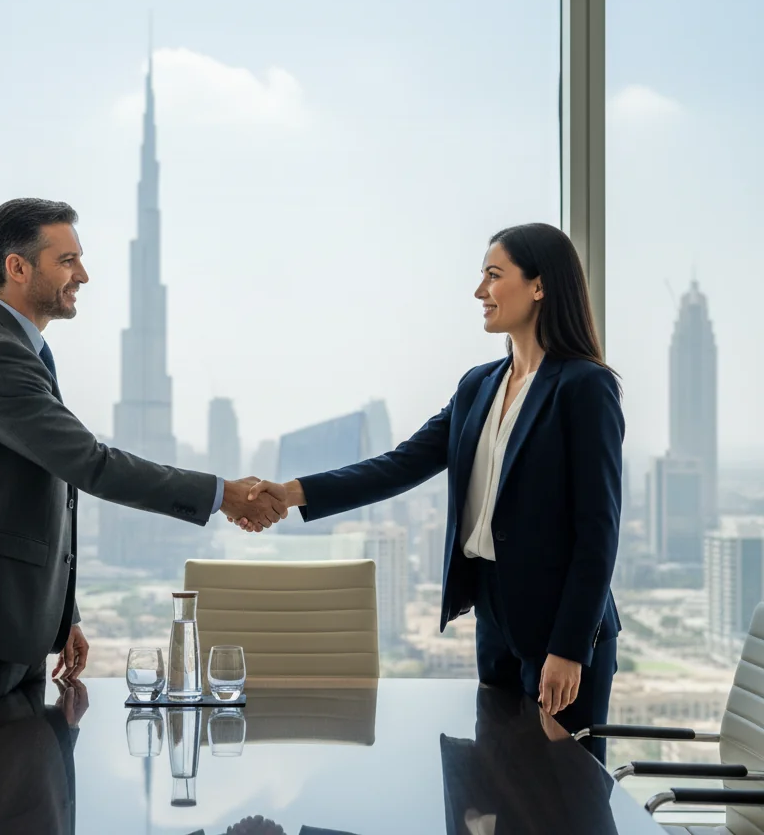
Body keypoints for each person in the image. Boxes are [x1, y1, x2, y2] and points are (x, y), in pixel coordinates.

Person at [0, 198, 284, 747]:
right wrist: (221, 494)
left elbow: (36, 497)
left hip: (6, 619)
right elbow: (88, 464)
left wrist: (62, 613)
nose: (82, 274)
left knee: (16, 799)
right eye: (66, 261)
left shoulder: (19, 350)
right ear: (17, 267)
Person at [245, 223, 623, 761]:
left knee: (563, 799)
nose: (479, 292)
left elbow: (598, 532)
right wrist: (291, 492)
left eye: (494, 276)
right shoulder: (479, 385)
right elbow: (400, 464)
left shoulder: (585, 387)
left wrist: (568, 647)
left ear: (539, 286)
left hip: (562, 625)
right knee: (496, 784)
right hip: (494, 614)